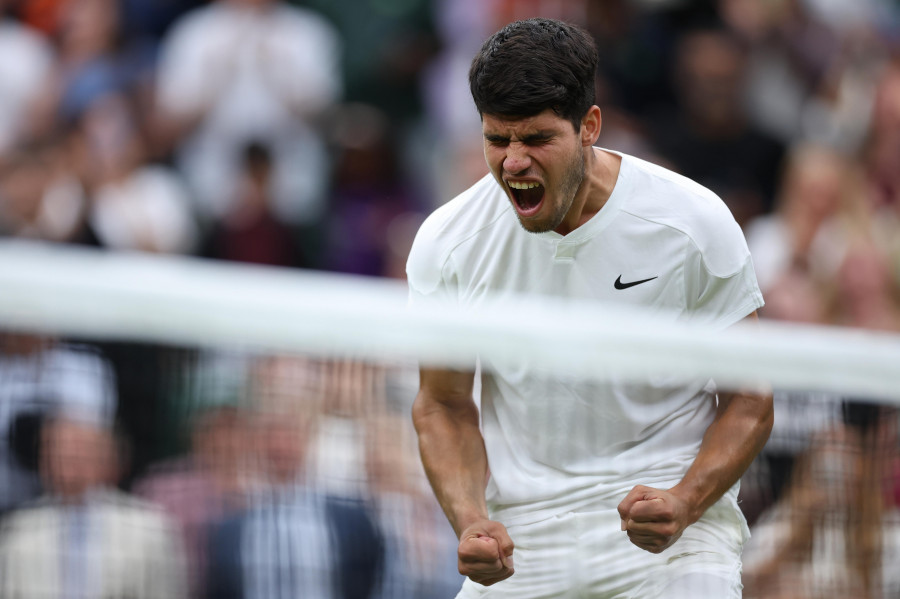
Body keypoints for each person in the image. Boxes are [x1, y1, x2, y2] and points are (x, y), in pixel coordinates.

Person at [406, 18, 774, 598]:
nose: (513, 162)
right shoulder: (448, 243)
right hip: (524, 545)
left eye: (536, 139)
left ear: (590, 127)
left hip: (674, 543)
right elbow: (442, 404)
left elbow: (750, 397)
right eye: (497, 140)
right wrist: (470, 520)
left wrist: (685, 500)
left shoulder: (692, 222)